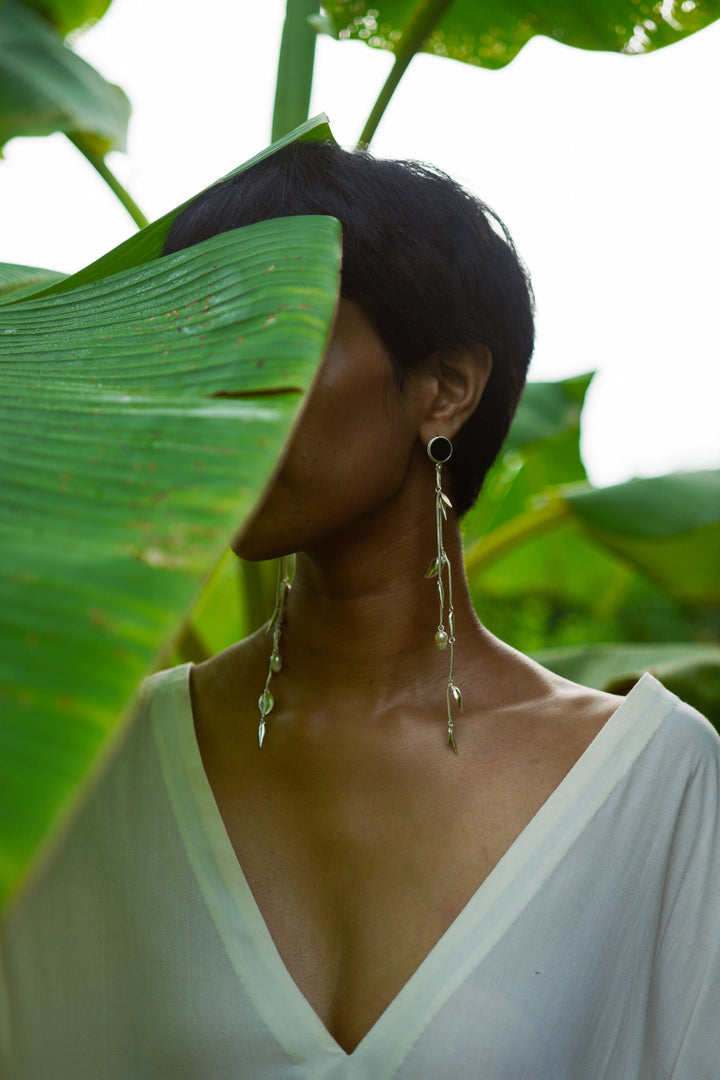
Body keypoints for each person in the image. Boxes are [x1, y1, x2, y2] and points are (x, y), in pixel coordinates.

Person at [2, 140, 719, 1078]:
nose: (224, 392)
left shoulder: (653, 785)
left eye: (275, 332)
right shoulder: (104, 771)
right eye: (194, 343)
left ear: (446, 386)